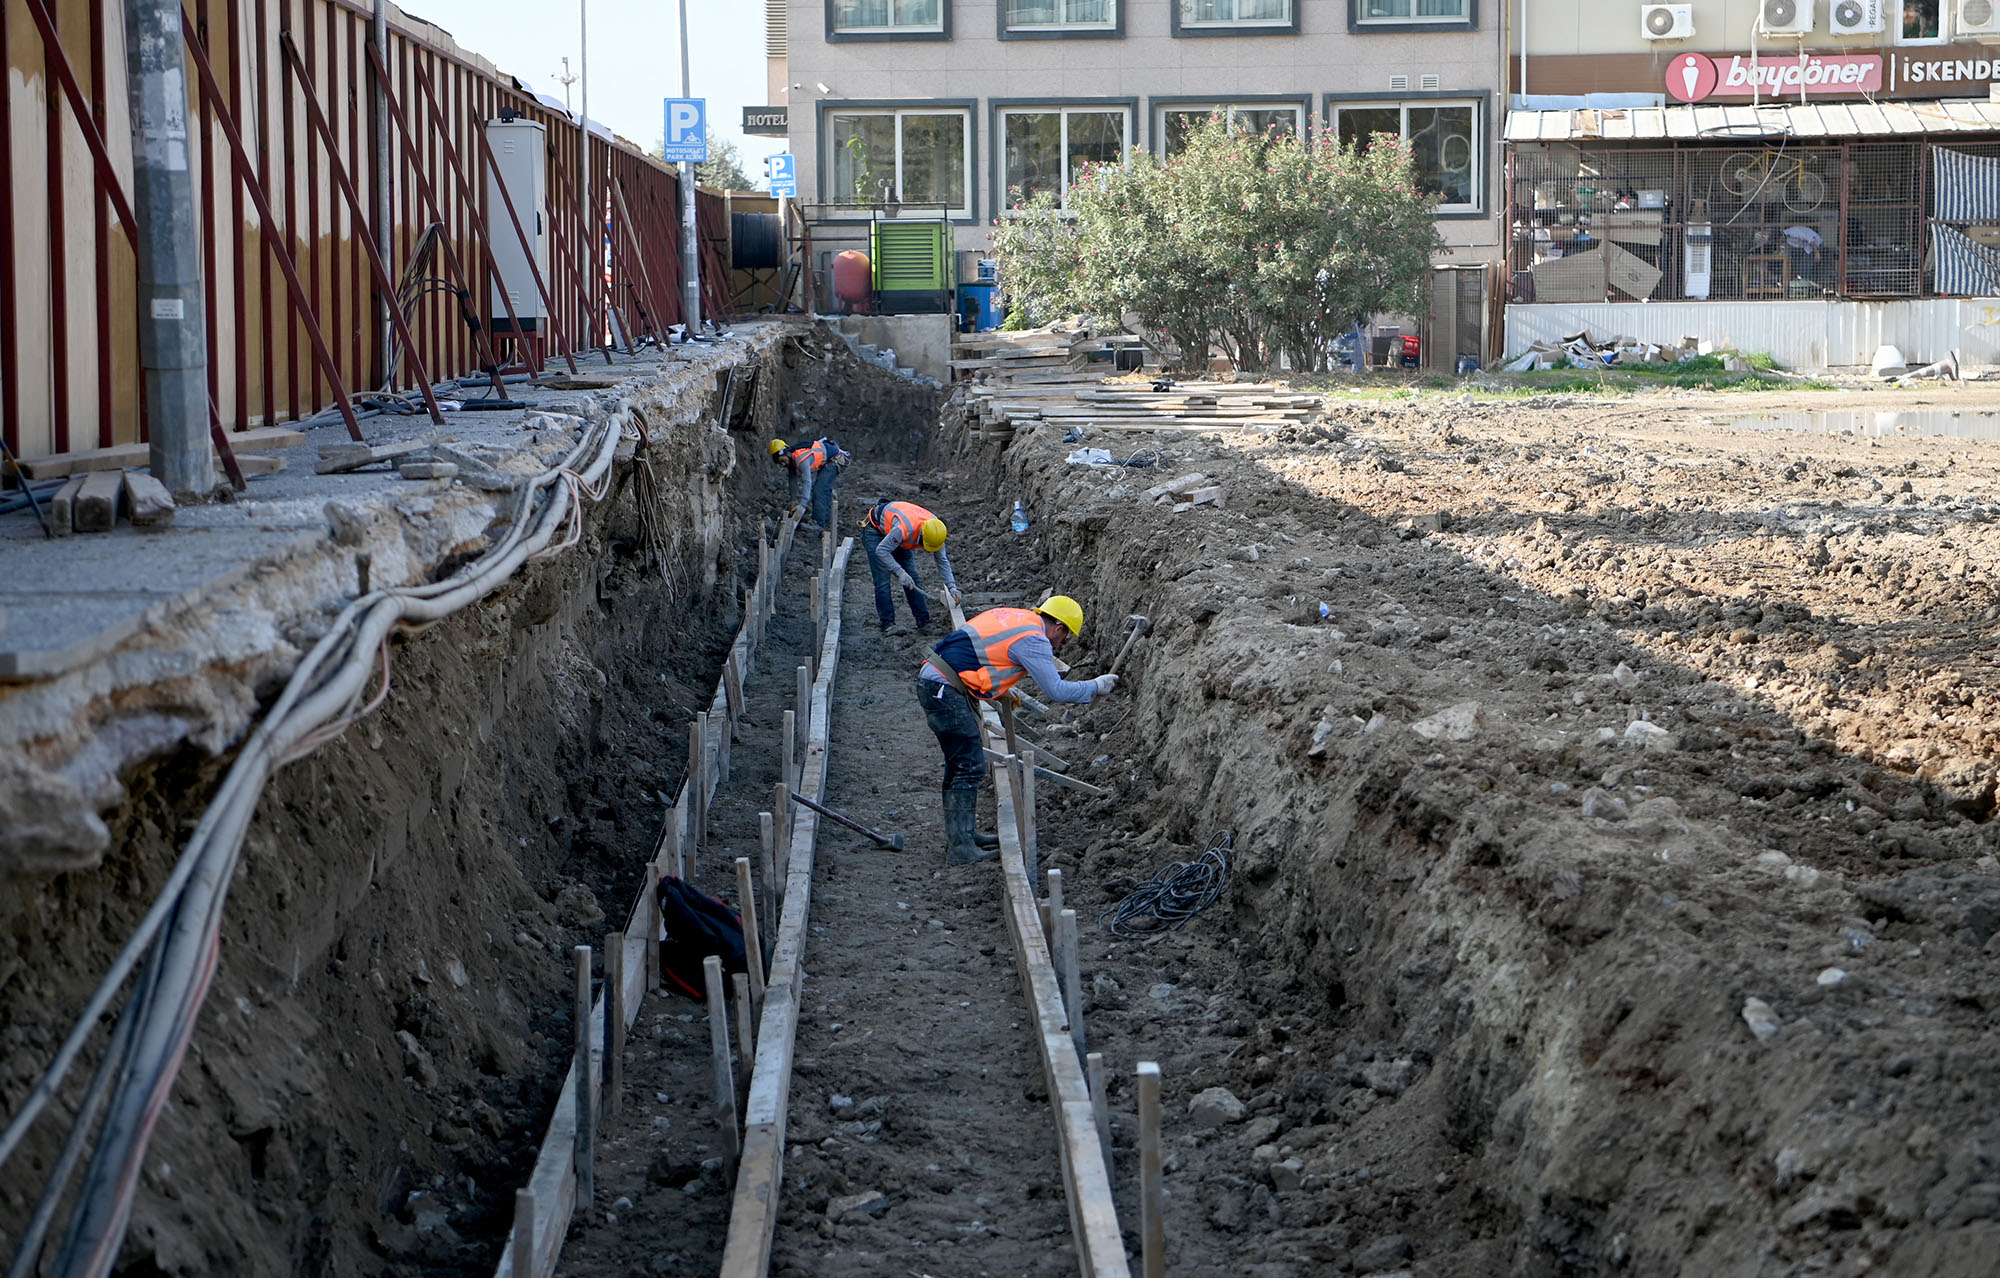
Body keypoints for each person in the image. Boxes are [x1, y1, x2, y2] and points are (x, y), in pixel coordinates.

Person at [917, 596, 1116, 865]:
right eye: (1065, 639)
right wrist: (1095, 685)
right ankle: (960, 848)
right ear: (1059, 628)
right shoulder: (1034, 639)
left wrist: (998, 689)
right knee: (968, 765)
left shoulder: (1017, 618)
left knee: (959, 763)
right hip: (944, 688)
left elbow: (981, 653)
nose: (1061, 646)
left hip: (937, 680)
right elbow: (1056, 690)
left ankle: (963, 835)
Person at [863, 497, 958, 635]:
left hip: (898, 533)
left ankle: (923, 622)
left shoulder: (936, 530)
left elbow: (942, 561)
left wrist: (952, 586)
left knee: (913, 577)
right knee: (882, 581)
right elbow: (881, 550)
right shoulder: (905, 529)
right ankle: (888, 624)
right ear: (921, 535)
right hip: (875, 530)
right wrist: (899, 571)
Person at [769, 436, 849, 531]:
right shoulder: (790, 460)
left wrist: (802, 506)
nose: (783, 464)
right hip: (828, 460)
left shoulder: (801, 458)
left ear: (787, 453)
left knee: (819, 490)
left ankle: (819, 524)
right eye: (780, 463)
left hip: (837, 459)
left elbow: (807, 482)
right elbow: (792, 481)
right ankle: (827, 522)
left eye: (782, 460)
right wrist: (793, 501)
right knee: (823, 489)